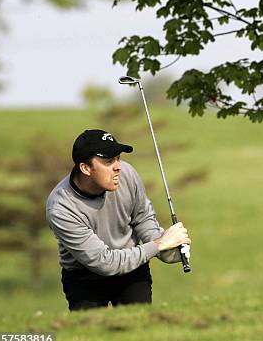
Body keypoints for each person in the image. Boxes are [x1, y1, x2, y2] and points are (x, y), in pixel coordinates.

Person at [46, 129, 191, 311]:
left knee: (139, 329)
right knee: (91, 335)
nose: (118, 167)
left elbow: (142, 218)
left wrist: (168, 250)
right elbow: (104, 262)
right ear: (85, 168)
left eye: (118, 158)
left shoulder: (127, 174)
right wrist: (158, 244)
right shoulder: (61, 207)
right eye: (108, 161)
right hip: (84, 276)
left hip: (132, 270)